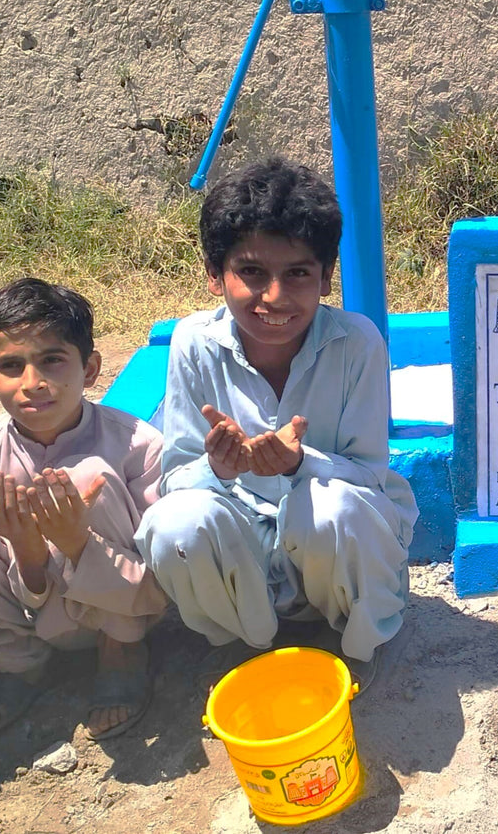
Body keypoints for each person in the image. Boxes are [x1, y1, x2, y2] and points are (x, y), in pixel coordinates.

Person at [135, 156, 419, 689]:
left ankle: (353, 645)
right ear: (215, 273)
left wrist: (298, 463)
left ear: (325, 277)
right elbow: (173, 479)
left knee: (330, 504)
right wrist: (216, 468)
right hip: (246, 544)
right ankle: (249, 641)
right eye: (251, 272)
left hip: (331, 545)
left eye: (298, 274)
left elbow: (371, 474)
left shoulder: (357, 343)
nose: (274, 298)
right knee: (175, 524)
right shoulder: (194, 344)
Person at [0, 279, 167, 740]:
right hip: (39, 617)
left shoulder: (138, 445)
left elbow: (159, 579)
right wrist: (27, 547)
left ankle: (120, 651)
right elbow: (22, 589)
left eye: (52, 360)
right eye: (10, 366)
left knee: (86, 478)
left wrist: (76, 540)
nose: (32, 383)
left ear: (90, 369)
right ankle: (23, 664)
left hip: (130, 607)